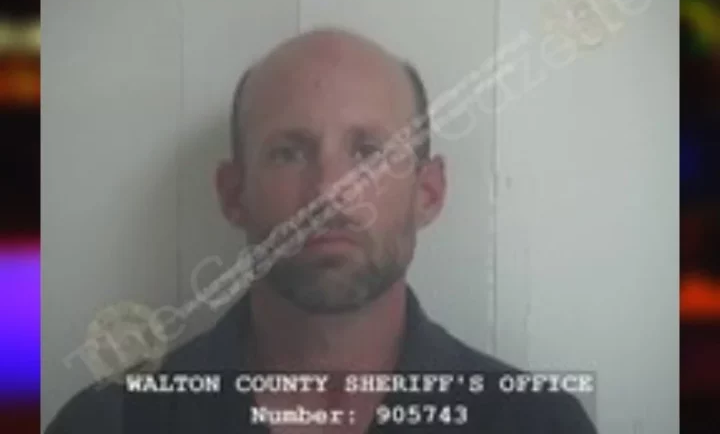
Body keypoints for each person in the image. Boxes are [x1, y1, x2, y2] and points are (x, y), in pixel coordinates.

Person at [45, 28, 597, 433]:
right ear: (234, 194)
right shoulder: (109, 424)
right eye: (289, 152)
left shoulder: (537, 423)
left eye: (370, 152)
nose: (330, 192)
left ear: (428, 193)